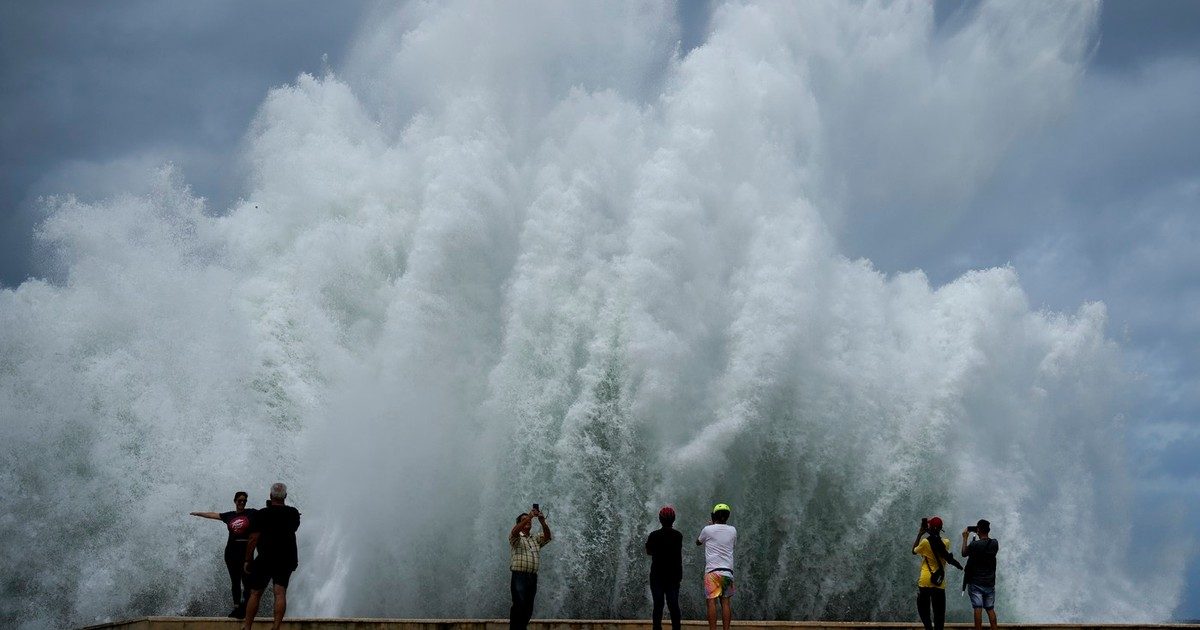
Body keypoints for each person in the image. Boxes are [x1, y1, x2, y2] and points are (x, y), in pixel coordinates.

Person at [242, 483, 301, 630]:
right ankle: (276, 627)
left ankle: (247, 627)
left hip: (265, 558)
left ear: (270, 496)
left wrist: (248, 559)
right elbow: (294, 527)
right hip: (286, 558)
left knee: (255, 593)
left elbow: (253, 539)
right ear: (285, 496)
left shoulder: (261, 514)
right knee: (280, 593)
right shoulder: (293, 513)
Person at [190, 491, 257, 617]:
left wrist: (287, 515)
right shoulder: (229, 516)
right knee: (235, 581)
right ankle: (236, 607)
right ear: (235, 501)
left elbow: (269, 515)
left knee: (247, 581)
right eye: (239, 500)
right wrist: (198, 513)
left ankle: (245, 607)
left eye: (244, 500)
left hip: (245, 552)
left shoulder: (251, 513)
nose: (242, 502)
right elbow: (213, 515)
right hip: (231, 553)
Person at [911, 516, 963, 630]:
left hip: (925, 581)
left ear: (929, 527)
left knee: (924, 611)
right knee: (939, 614)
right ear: (941, 528)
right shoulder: (946, 542)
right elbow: (941, 550)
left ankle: (929, 628)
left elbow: (913, 550)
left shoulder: (925, 542)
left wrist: (920, 534)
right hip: (939, 581)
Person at [509, 505, 552, 630]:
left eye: (529, 520)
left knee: (528, 607)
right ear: (520, 523)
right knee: (519, 604)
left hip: (532, 577)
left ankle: (520, 628)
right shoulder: (516, 538)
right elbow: (514, 531)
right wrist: (528, 517)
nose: (528, 521)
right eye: (524, 520)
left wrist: (543, 522)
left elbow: (548, 536)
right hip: (519, 576)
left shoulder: (535, 538)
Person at [696, 503, 736, 630]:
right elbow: (732, 544)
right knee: (725, 603)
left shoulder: (707, 530)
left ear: (714, 516)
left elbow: (698, 542)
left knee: (711, 602)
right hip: (727, 572)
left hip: (712, 572)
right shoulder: (733, 530)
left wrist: (711, 527)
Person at [646, 505, 683, 630]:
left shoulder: (653, 535)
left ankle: (657, 628)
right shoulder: (678, 536)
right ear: (674, 519)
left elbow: (649, 551)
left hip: (657, 576)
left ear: (660, 519)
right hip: (673, 576)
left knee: (658, 605)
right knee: (673, 605)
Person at [961, 519, 999, 630]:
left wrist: (965, 538)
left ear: (978, 530)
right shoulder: (994, 543)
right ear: (989, 530)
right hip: (990, 582)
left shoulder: (974, 545)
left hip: (976, 582)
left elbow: (964, 553)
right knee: (990, 609)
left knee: (978, 608)